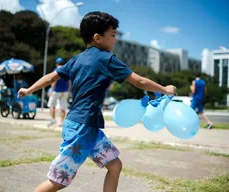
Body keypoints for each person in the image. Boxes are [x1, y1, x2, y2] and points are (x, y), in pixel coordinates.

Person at [18, 11, 176, 192]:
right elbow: (138, 81)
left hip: (86, 126)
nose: (115, 40)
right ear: (98, 38)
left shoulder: (76, 59)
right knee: (59, 179)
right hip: (82, 128)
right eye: (113, 35)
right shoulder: (107, 59)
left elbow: (50, 77)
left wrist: (29, 89)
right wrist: (165, 89)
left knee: (115, 165)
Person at [47, 58, 71, 127]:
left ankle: (53, 119)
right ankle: (61, 122)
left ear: (56, 63)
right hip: (65, 91)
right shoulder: (67, 70)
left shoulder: (56, 70)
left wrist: (51, 89)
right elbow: (69, 82)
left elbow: (54, 81)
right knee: (63, 107)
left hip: (56, 91)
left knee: (52, 105)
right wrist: (68, 90)